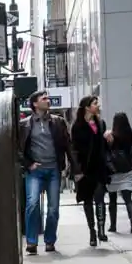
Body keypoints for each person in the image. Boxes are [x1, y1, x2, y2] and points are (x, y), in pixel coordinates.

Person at [17, 90, 73, 253]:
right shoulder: (25, 124)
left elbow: (67, 145)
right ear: (35, 104)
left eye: (48, 98)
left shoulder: (58, 122)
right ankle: (32, 242)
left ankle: (50, 240)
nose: (48, 101)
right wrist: (28, 164)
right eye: (44, 99)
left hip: (53, 169)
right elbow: (18, 149)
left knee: (53, 208)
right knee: (32, 204)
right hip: (35, 171)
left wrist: (72, 167)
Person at [70, 95, 109, 247]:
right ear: (87, 107)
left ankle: (101, 230)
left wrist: (107, 136)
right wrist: (76, 170)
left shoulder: (100, 123)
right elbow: (74, 149)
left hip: (99, 168)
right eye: (95, 103)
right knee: (87, 201)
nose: (98, 105)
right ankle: (92, 231)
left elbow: (104, 146)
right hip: (85, 169)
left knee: (100, 199)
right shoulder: (77, 126)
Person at [105, 112, 132, 234]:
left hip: (114, 171)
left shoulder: (111, 136)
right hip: (127, 169)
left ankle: (113, 225)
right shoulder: (131, 135)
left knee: (112, 199)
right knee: (128, 199)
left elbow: (107, 151)